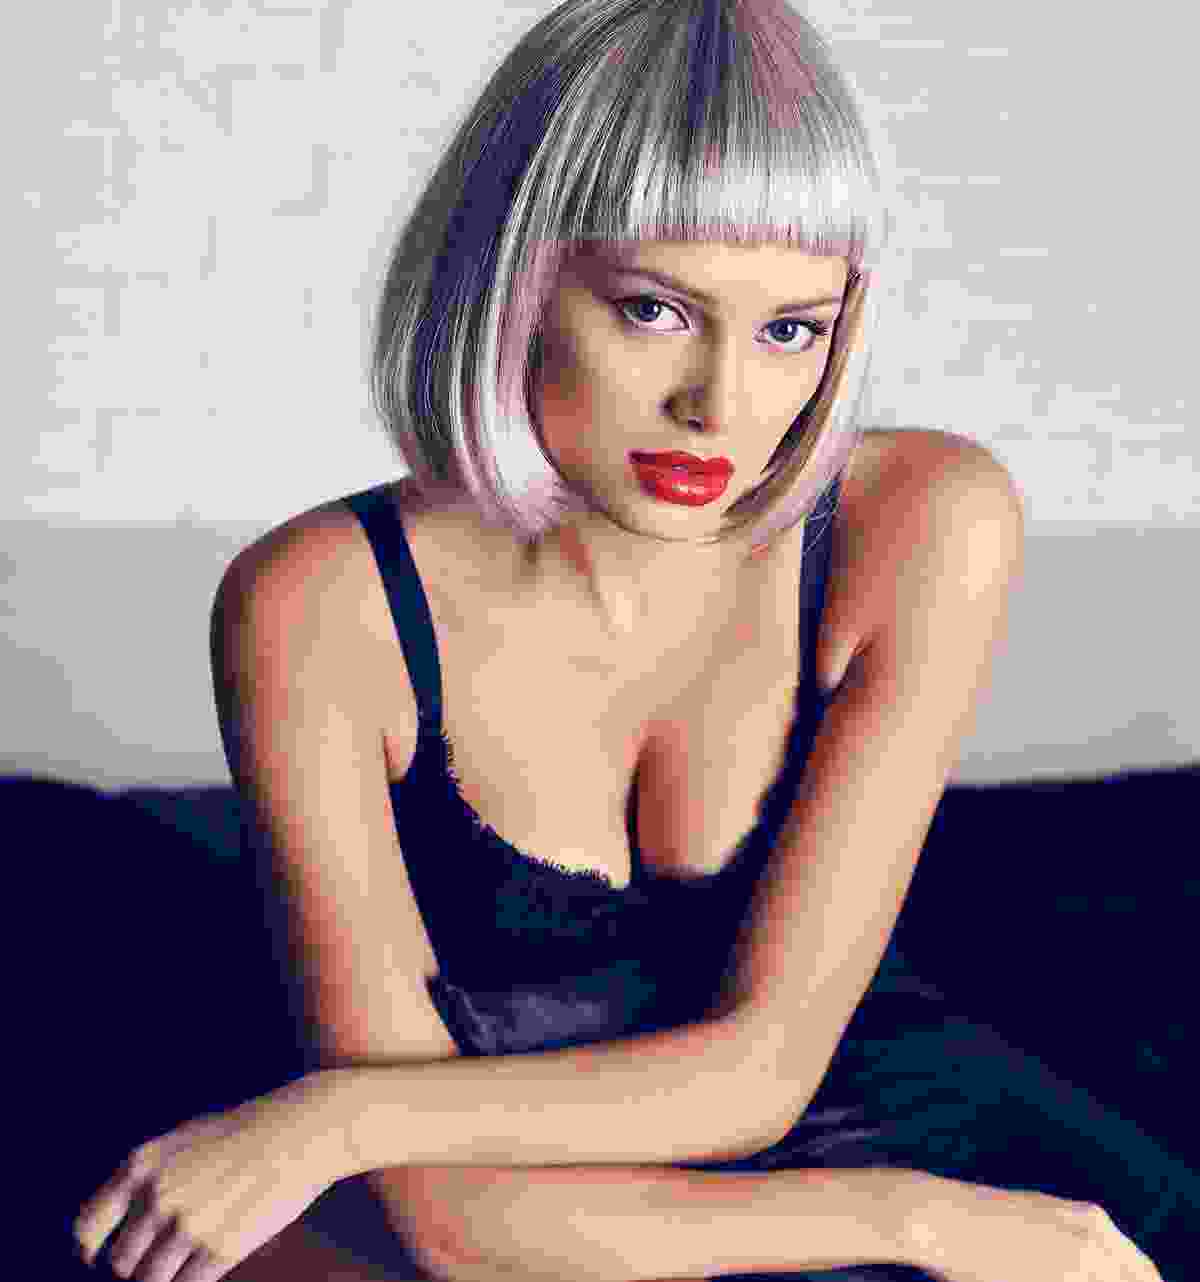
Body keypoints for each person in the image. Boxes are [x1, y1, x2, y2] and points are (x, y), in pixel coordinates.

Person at [73, 2, 1198, 1280]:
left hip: (919, 1125)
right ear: (512, 279)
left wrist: (329, 1118)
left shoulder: (928, 519)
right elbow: (441, 1220)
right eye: (656, 310)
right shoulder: (321, 604)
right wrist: (917, 1222)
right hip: (533, 1206)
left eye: (790, 330)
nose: (720, 404)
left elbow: (765, 1068)